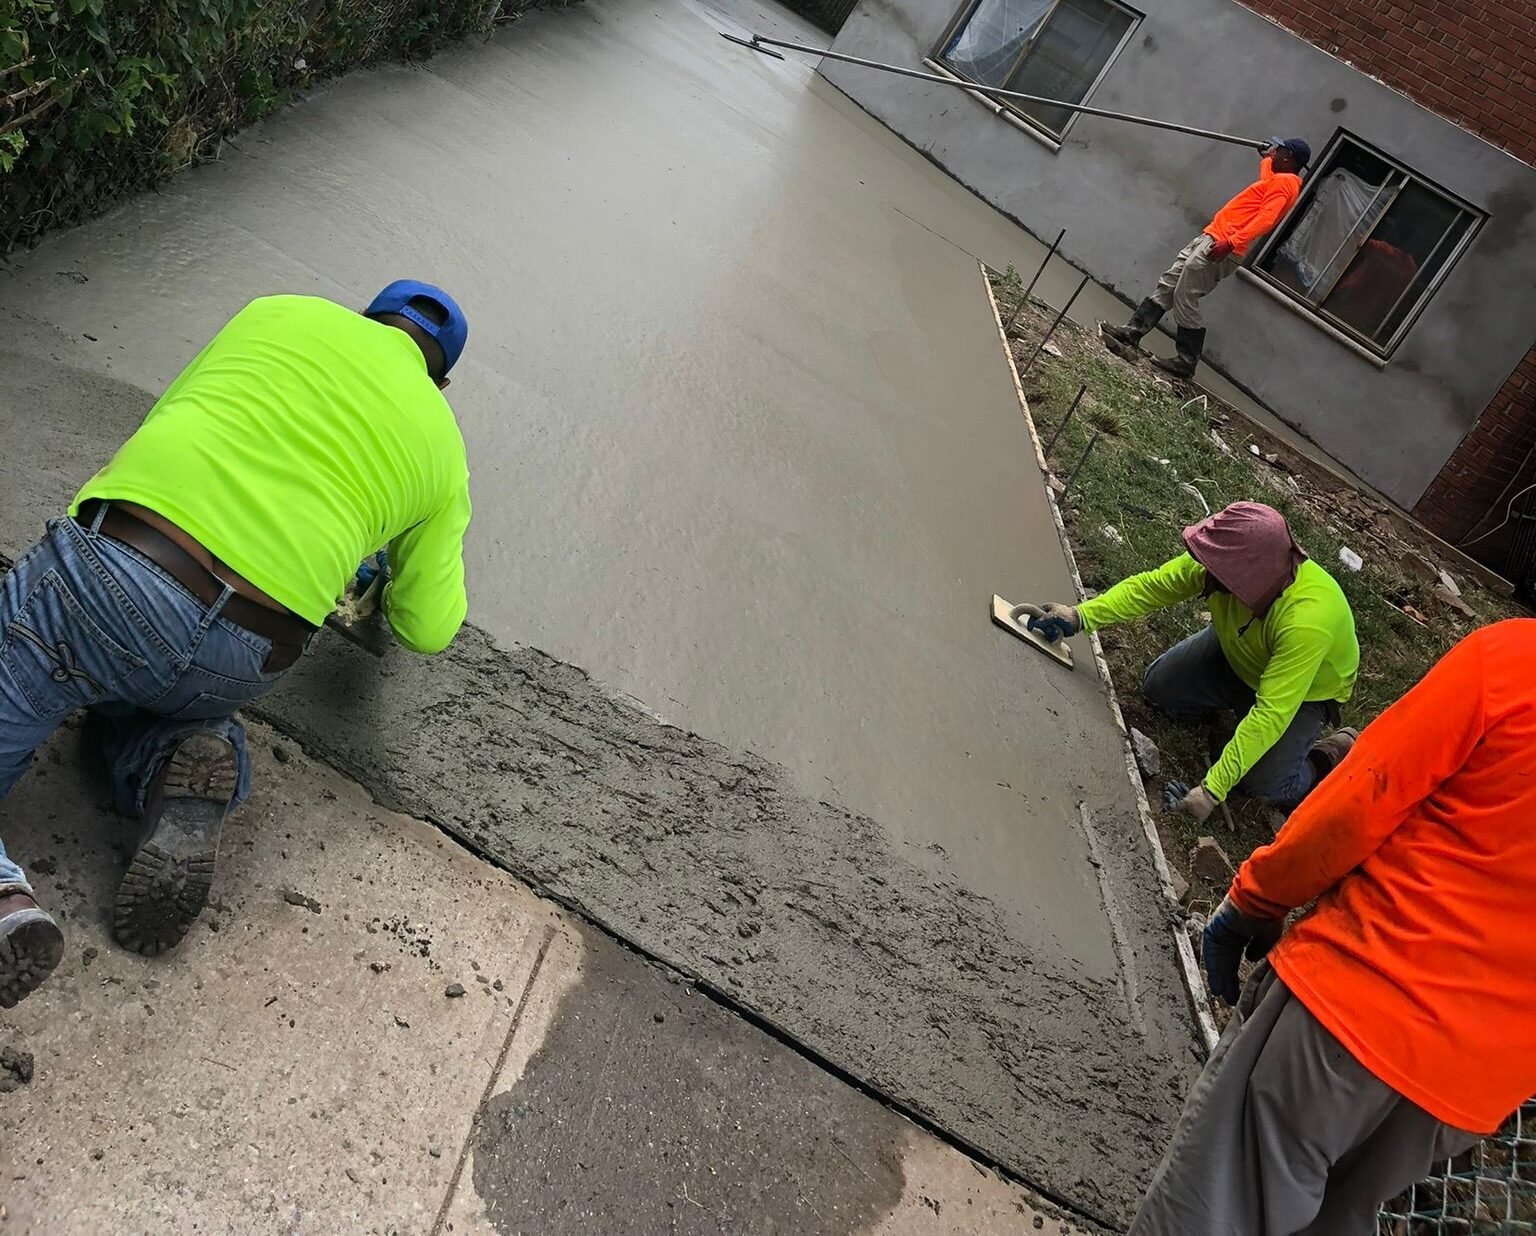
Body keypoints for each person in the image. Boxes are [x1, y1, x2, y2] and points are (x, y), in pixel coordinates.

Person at [0, 282, 473, 1008]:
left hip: (115, 572)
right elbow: (426, 626)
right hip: (247, 654)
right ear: (440, 381)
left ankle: (5, 906)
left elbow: (171, 418)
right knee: (147, 694)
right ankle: (173, 761)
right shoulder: (443, 445)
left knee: (50, 656)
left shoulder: (276, 312)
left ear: (361, 315)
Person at [1129, 619, 1536, 1235]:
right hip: (1470, 1090)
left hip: (1357, 1005)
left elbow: (1359, 802)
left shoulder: (1513, 663)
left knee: (1217, 1205)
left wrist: (1256, 899)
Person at [1014, 502, 1358, 819]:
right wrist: (1080, 617)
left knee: (1262, 785)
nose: (1205, 571)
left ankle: (1323, 760)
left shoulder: (1308, 622)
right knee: (1159, 688)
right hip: (1240, 650)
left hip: (1305, 695)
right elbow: (1150, 588)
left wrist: (1211, 790)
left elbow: (1273, 712)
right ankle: (1233, 707)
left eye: (1217, 570)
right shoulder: (1221, 563)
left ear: (1248, 577)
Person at [1101, 137, 1311, 379]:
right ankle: (1133, 331)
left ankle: (1186, 360)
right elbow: (1266, 181)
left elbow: (1266, 219)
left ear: (1289, 157)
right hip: (1212, 237)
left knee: (1185, 294)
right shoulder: (1278, 179)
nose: (1275, 153)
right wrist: (1265, 159)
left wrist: (1232, 242)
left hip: (1223, 245)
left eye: (1279, 151)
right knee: (1170, 282)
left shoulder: (1286, 183)